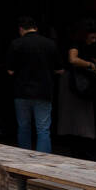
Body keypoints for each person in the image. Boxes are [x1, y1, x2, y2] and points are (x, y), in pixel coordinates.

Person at [7, 16, 63, 153]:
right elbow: (60, 69)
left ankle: (23, 158)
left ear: (21, 29)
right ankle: (42, 162)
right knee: (43, 129)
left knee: (24, 127)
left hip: (22, 92)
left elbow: (10, 71)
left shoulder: (16, 44)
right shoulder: (50, 44)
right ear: (36, 28)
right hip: (44, 92)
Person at [57, 19, 96, 159]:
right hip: (75, 83)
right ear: (85, 35)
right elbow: (73, 59)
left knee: (78, 117)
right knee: (77, 116)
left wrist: (95, 61)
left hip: (78, 83)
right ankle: (80, 148)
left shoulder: (82, 45)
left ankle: (79, 148)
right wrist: (89, 64)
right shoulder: (75, 44)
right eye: (92, 37)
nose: (94, 40)